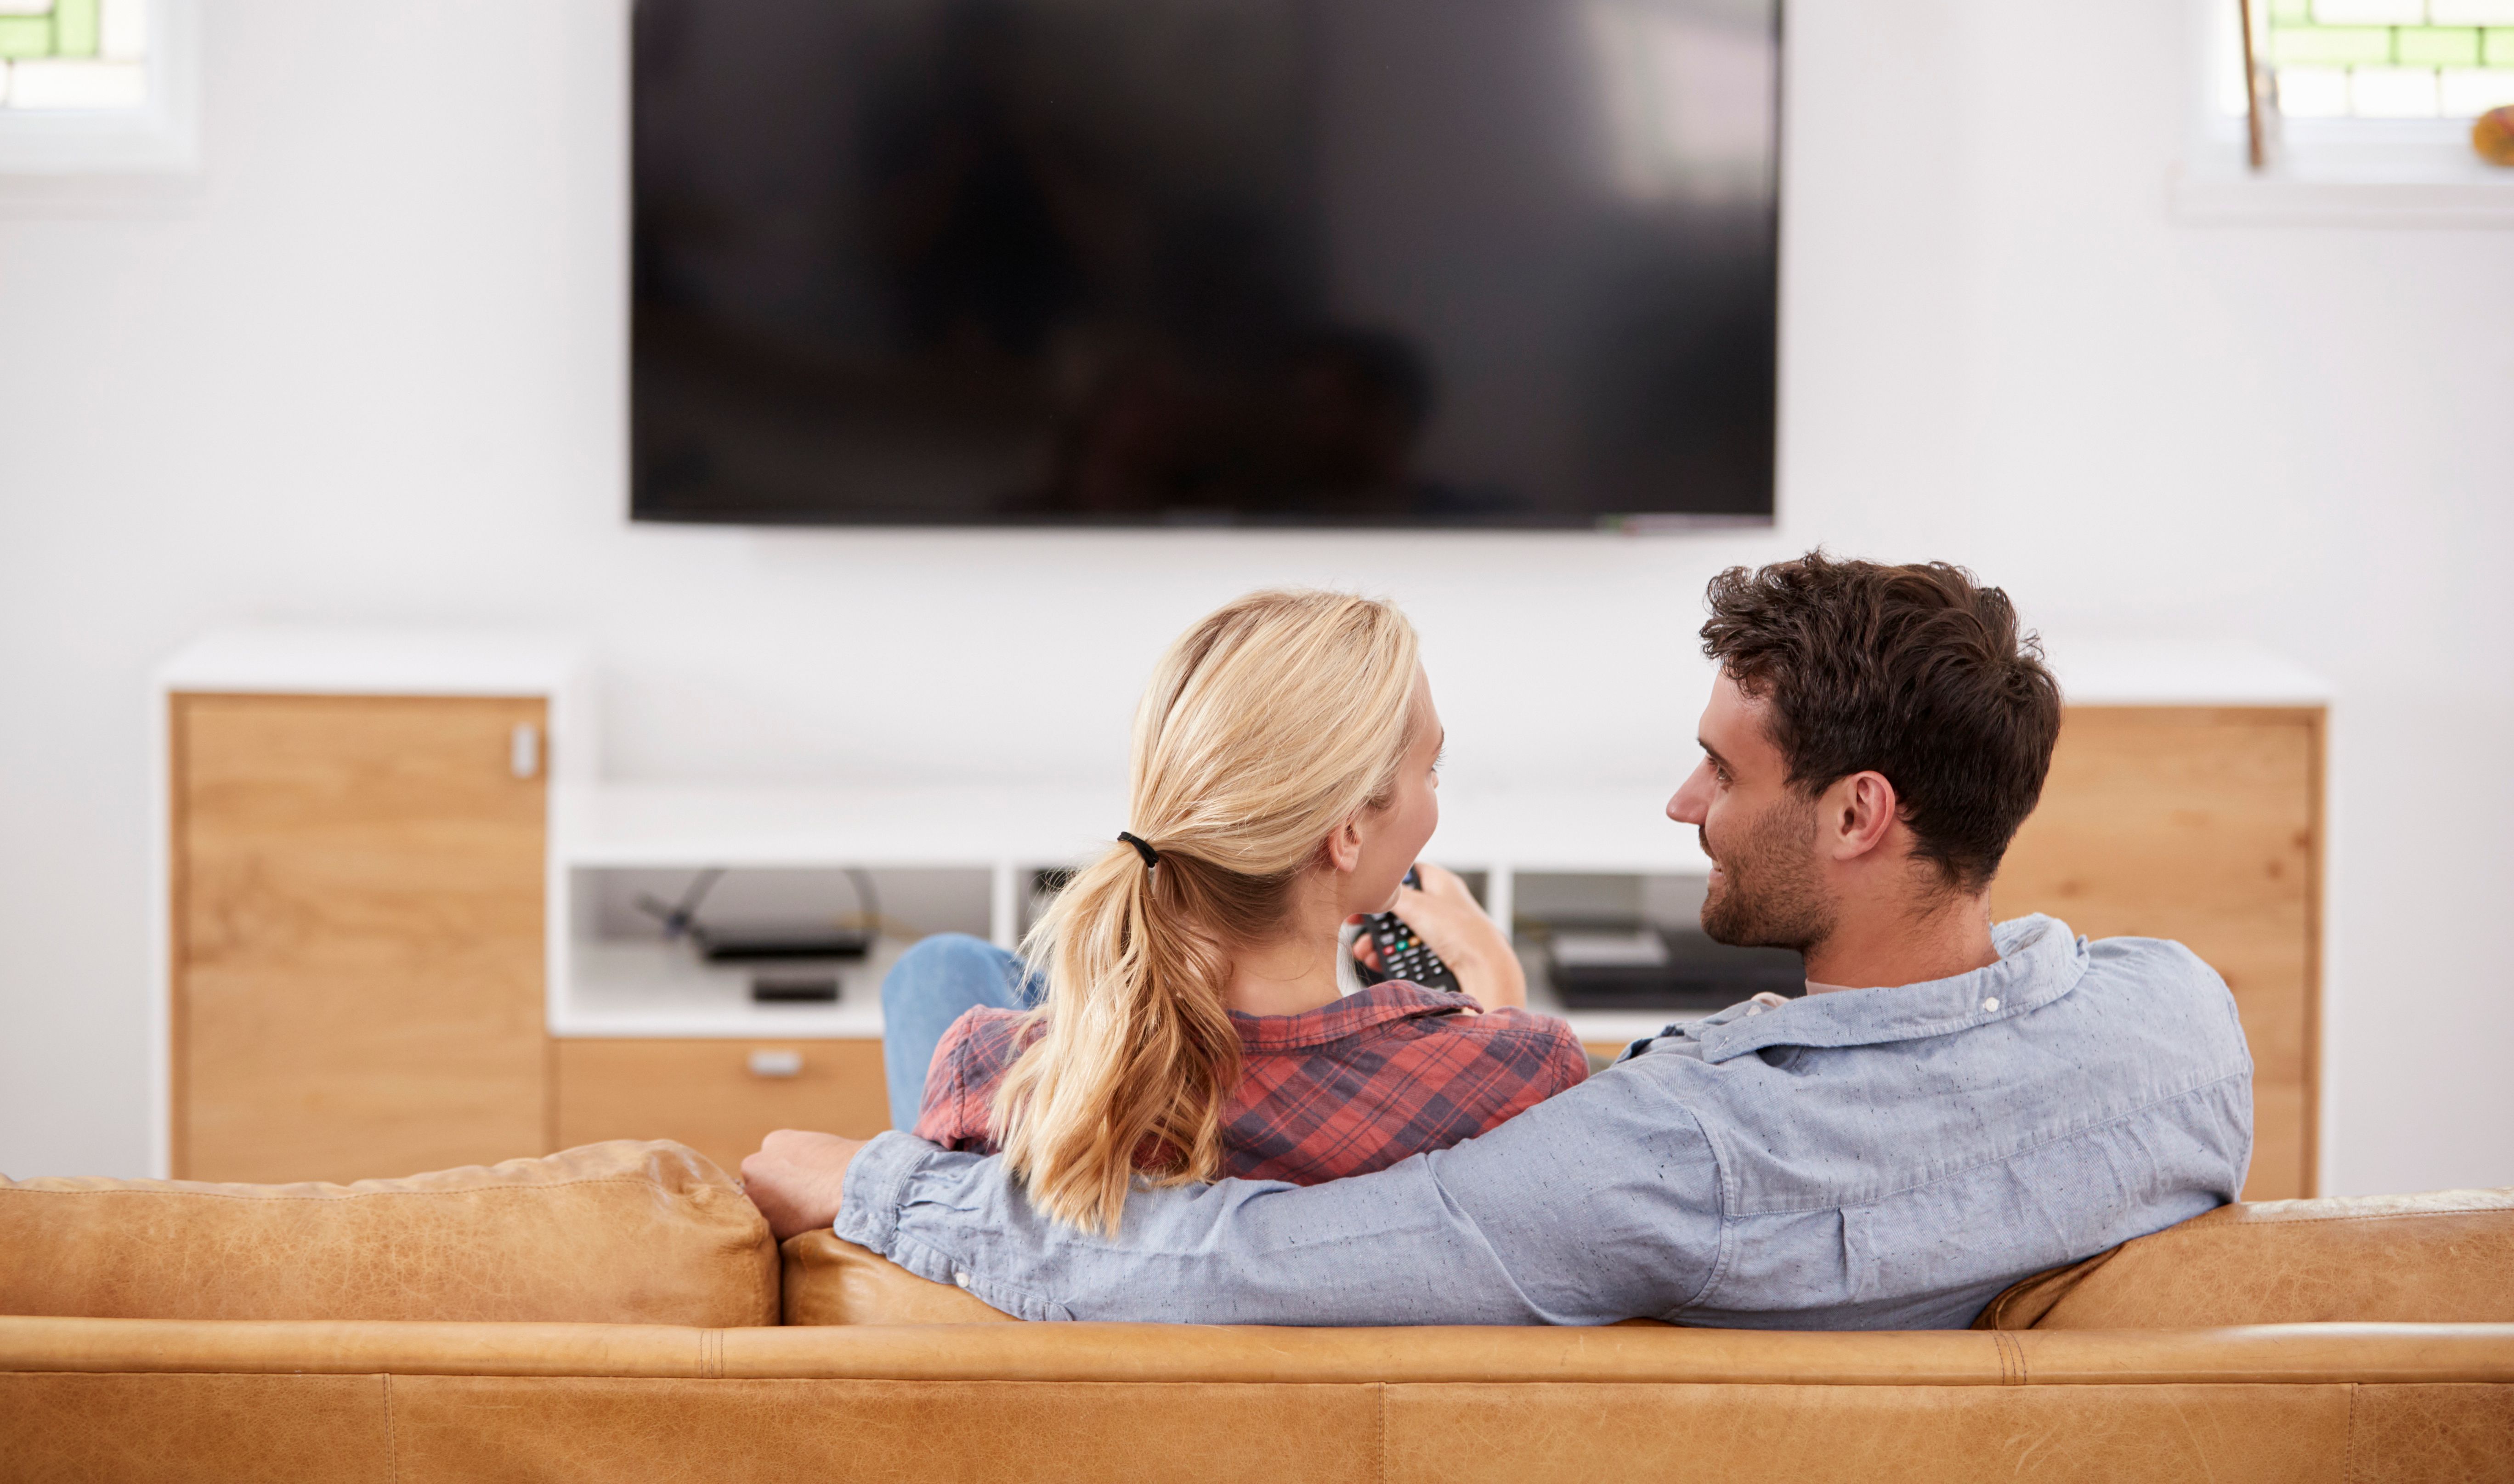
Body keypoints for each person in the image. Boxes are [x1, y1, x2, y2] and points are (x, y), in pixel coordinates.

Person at [745, 554, 2254, 1330]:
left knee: (960, 984)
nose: (1682, 800)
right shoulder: (2179, 1030)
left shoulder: (1665, 1148)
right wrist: (1497, 1018)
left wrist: (877, 1182)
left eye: (1722, 771)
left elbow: (1236, 1264)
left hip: (1092, 1185)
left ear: (1862, 811)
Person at [887, 589, 1590, 1234]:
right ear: (1346, 833)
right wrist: (1491, 975)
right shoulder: (1521, 1071)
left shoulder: (984, 1073)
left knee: (945, 967)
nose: (1435, 790)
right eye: (1430, 769)